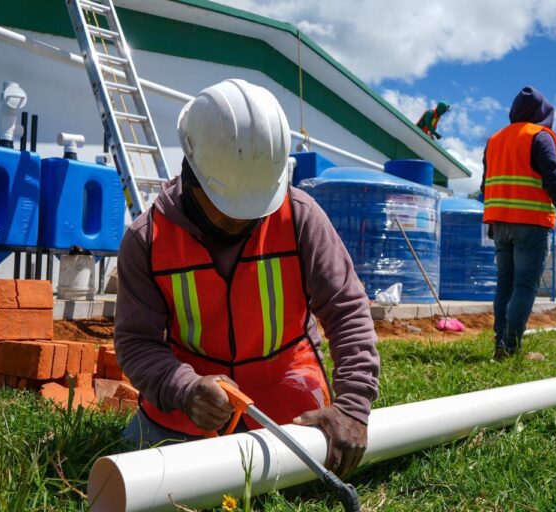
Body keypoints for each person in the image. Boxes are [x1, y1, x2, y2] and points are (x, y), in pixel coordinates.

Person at [115, 79, 380, 479]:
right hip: (197, 397)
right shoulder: (147, 240)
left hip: (288, 385)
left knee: (304, 476)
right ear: (193, 176)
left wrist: (353, 406)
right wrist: (184, 388)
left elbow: (347, 310)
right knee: (149, 471)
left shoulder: (300, 217)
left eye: (255, 208)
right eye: (229, 207)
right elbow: (136, 342)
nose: (244, 220)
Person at [481, 86, 556, 360]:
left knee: (505, 285)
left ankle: (500, 344)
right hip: (531, 224)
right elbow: (555, 180)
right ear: (543, 112)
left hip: (501, 224)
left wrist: (492, 221)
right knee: (524, 286)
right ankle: (511, 349)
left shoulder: (495, 139)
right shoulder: (540, 136)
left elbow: (486, 184)